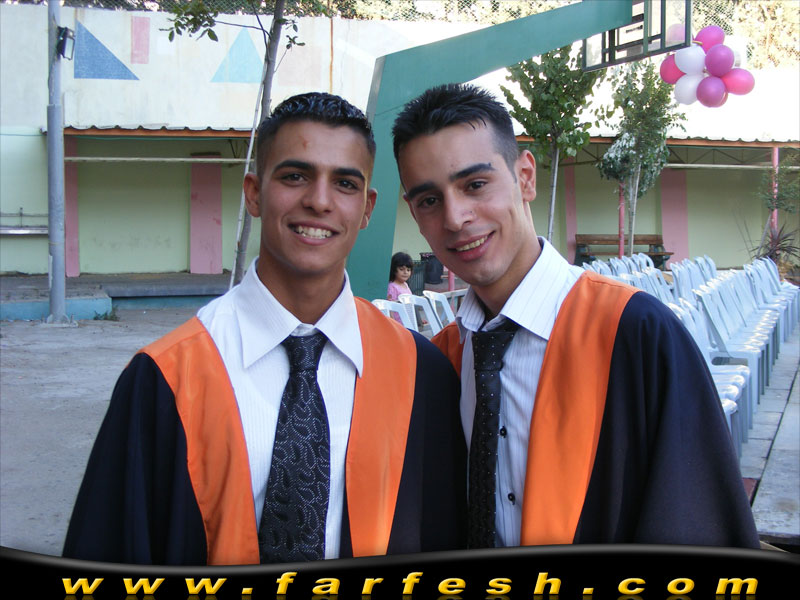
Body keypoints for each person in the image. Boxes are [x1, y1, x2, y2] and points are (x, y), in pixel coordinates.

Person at [63, 92, 466, 566]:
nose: (319, 201)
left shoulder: (419, 373)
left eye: (344, 183)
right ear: (253, 192)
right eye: (295, 176)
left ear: (367, 208)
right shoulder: (166, 378)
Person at [392, 82, 759, 549]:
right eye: (429, 200)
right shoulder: (442, 360)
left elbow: (693, 517)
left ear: (526, 177)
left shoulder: (634, 333)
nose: (455, 217)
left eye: (475, 185)